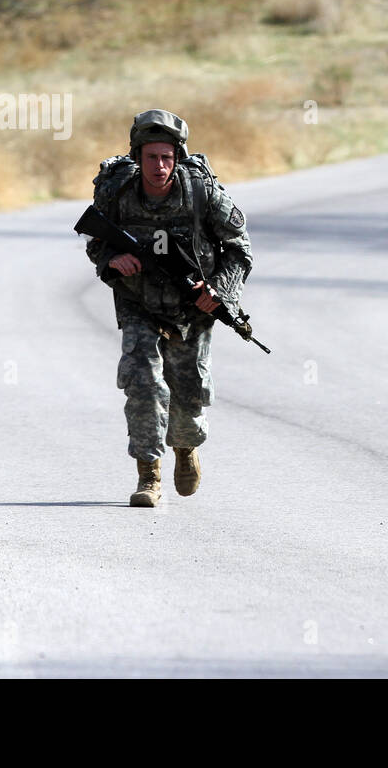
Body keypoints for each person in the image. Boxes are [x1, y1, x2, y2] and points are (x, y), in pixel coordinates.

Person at [83, 109, 252, 507]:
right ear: (137, 158)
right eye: (150, 157)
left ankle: (184, 447)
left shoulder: (201, 193)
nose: (159, 166)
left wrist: (220, 294)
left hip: (193, 307)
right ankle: (148, 475)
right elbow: (95, 239)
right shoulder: (117, 191)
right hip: (139, 302)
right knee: (143, 383)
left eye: (166, 157)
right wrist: (111, 260)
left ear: (177, 157)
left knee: (188, 392)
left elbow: (239, 250)